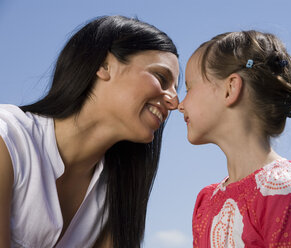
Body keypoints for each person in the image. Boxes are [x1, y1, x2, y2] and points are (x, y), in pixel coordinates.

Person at [0, 15, 179, 248]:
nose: (174, 102)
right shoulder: (8, 139)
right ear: (103, 66)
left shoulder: (118, 190)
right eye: (161, 77)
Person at [178, 30, 291, 247]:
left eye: (189, 88)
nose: (179, 104)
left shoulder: (283, 189)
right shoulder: (206, 201)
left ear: (230, 88)